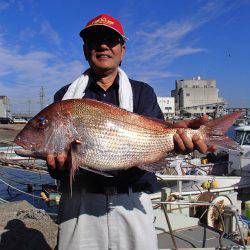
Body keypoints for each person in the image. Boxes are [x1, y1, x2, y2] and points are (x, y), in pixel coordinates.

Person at [47, 14, 211, 250]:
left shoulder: (143, 92)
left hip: (132, 202)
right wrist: (57, 165)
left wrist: (180, 140)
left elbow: (159, 138)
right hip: (80, 205)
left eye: (111, 40)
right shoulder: (65, 98)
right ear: (85, 50)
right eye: (95, 40)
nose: (103, 45)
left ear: (122, 50)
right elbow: (58, 167)